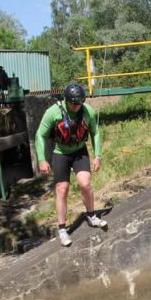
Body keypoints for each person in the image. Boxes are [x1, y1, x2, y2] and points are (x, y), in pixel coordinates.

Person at [35, 82, 106, 247]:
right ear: (66, 100)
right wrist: (41, 159)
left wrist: (98, 156)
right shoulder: (53, 112)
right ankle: (62, 229)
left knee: (85, 183)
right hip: (61, 153)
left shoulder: (87, 111)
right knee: (62, 189)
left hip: (79, 151)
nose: (76, 106)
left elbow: (95, 133)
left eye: (79, 103)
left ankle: (91, 215)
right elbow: (40, 135)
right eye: (73, 103)